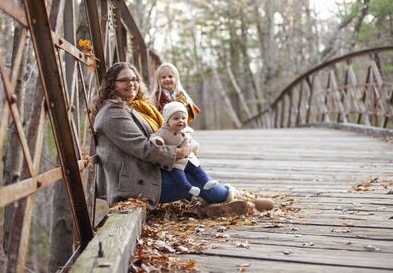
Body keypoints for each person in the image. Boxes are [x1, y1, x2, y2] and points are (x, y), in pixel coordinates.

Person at [93, 62, 273, 216]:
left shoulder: (125, 107)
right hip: (132, 184)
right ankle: (239, 199)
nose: (131, 84)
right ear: (112, 84)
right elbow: (144, 148)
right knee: (196, 182)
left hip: (142, 171)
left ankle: (226, 201)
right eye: (124, 80)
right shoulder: (112, 114)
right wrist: (181, 152)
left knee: (194, 174)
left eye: (134, 79)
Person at [150, 101, 218, 197]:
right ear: (167, 121)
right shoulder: (164, 131)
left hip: (188, 158)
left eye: (183, 118)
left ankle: (205, 181)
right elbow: (155, 136)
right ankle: (188, 188)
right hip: (174, 161)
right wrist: (158, 141)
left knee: (197, 168)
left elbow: (190, 142)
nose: (181, 120)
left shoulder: (186, 131)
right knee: (177, 174)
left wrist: (195, 146)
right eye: (176, 118)